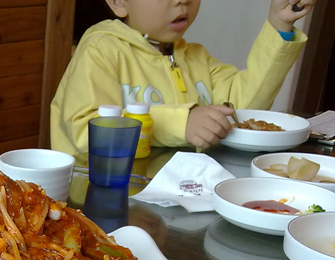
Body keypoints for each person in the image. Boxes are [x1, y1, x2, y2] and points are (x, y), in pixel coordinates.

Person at [50, 0, 314, 155]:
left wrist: (280, 24)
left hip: (173, 205)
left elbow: (243, 107)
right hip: (101, 204)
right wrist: (180, 123)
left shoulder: (194, 56)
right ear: (119, 2)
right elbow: (86, 129)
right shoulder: (101, 50)